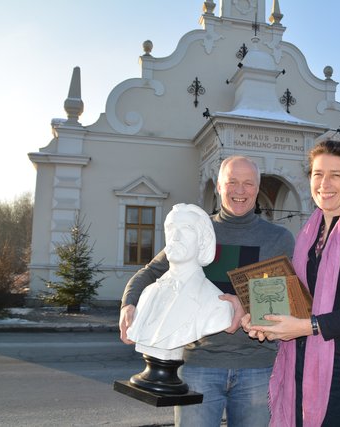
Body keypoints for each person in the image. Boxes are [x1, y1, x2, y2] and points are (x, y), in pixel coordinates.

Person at [119, 155, 295, 427]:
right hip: (198, 366)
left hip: (258, 368)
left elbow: (281, 302)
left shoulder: (278, 238)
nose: (240, 190)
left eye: (248, 183)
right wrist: (129, 304)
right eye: (232, 182)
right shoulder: (196, 231)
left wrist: (244, 304)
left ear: (257, 189)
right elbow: (151, 272)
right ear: (219, 187)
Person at [244, 140, 340, 427]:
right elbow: (300, 299)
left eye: (335, 175)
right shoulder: (308, 232)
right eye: (317, 174)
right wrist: (267, 319)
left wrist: (308, 326)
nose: (324, 183)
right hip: (302, 360)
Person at [126, 203, 233, 361]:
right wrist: (127, 303)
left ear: (203, 242)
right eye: (171, 228)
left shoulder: (218, 305)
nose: (175, 237)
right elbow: (148, 271)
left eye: (186, 229)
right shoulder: (148, 293)